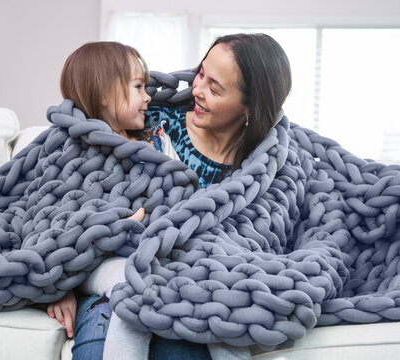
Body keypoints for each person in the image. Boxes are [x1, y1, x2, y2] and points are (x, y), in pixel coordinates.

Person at [55, 33, 292, 359]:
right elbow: (61, 200)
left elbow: (271, 238)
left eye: (215, 88)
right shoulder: (145, 126)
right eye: (200, 74)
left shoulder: (266, 165)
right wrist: (54, 283)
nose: (196, 89)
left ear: (249, 107)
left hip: (194, 280)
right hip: (125, 268)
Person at [45, 41, 180, 358]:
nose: (148, 97)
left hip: (153, 255)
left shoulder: (156, 144)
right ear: (104, 93)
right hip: (97, 263)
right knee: (127, 279)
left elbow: (180, 195)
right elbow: (52, 221)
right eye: (137, 87)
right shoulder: (72, 148)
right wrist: (57, 285)